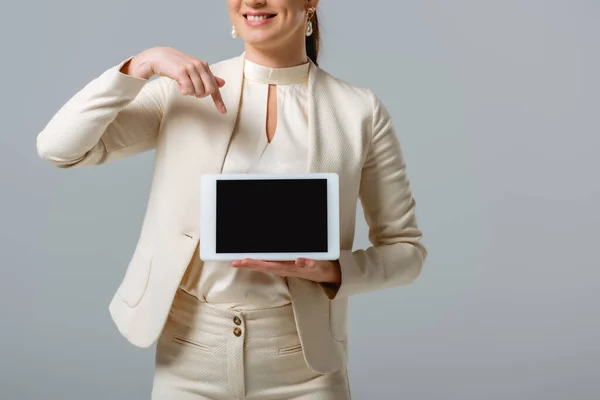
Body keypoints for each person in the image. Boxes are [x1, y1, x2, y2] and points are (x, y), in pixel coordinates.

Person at [36, 0, 427, 398]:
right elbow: (59, 149)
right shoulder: (181, 92)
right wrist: (140, 65)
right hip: (189, 357)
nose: (253, 1)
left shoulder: (358, 111)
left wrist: (332, 271)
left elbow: (406, 251)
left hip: (304, 367)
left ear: (310, 1)